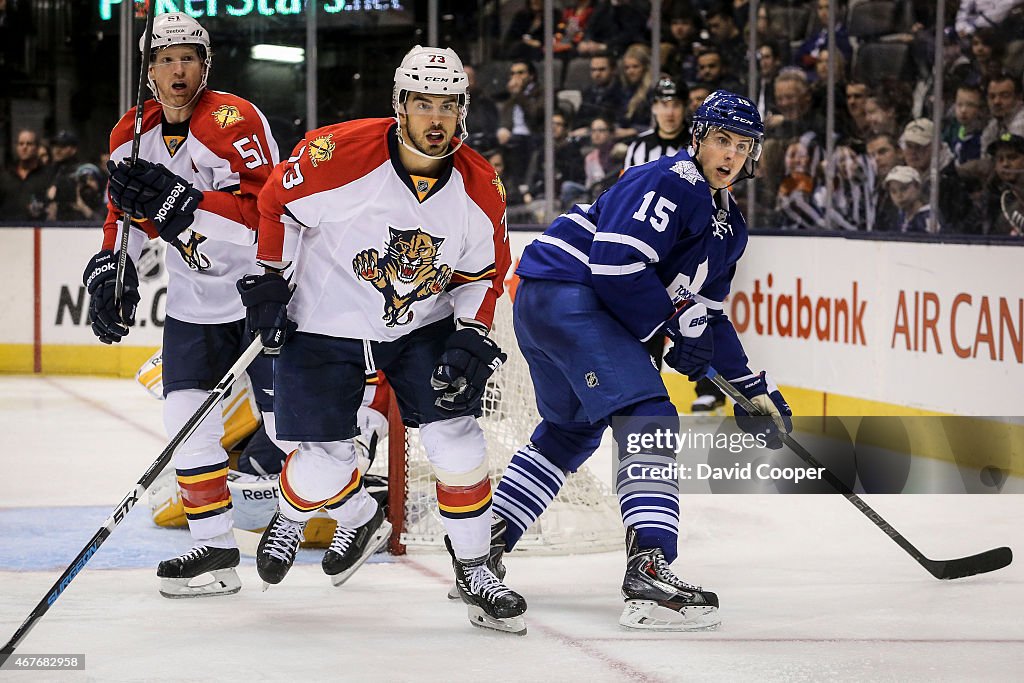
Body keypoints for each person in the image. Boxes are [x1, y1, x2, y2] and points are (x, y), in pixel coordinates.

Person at [245, 45, 526, 635]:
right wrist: (272, 282)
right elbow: (275, 204)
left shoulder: (481, 187)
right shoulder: (335, 154)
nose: (436, 118)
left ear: (463, 111)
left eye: (448, 105)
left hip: (418, 326)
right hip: (325, 321)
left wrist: (472, 335)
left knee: (458, 440)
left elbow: (482, 275)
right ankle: (293, 515)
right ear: (399, 106)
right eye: (423, 103)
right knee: (323, 467)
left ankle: (476, 568)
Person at [489, 91, 792, 631]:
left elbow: (706, 317)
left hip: (551, 301)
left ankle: (482, 545)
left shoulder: (730, 226)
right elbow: (616, 265)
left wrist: (752, 389)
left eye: (742, 146)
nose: (730, 154)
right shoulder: (673, 181)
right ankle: (650, 569)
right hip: (570, 292)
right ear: (698, 139)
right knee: (650, 416)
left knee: (570, 429)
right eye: (722, 140)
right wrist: (667, 331)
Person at [83, 12, 297, 599]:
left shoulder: (233, 119)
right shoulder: (130, 132)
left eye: (189, 58)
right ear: (149, 70)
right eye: (165, 59)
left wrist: (188, 201)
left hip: (259, 292)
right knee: (183, 423)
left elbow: (264, 213)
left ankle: (358, 517)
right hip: (193, 304)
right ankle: (218, 548)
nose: (178, 70)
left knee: (291, 428)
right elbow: (122, 212)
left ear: (205, 66)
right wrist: (111, 262)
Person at [622, 76, 690, 170]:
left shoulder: (698, 147)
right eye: (664, 105)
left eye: (676, 105)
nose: (669, 113)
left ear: (685, 108)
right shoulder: (637, 147)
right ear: (654, 108)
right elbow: (629, 184)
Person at [0, 128, 49, 221]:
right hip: (6, 231)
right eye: (21, 144)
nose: (24, 147)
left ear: (37, 148)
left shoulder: (47, 175)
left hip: (37, 230)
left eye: (29, 144)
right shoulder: (5, 175)